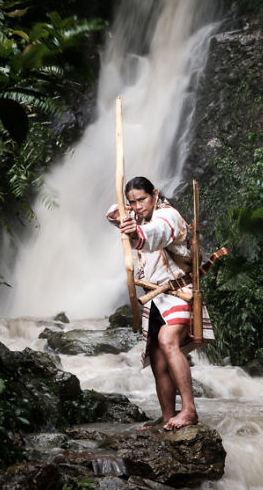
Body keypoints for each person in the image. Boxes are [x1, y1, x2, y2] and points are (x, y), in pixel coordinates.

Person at [106, 176, 213, 431]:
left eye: (142, 199)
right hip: (155, 299)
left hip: (178, 293)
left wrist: (135, 230)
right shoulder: (140, 216)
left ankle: (189, 410)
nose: (138, 205)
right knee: (157, 358)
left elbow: (157, 234)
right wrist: (126, 214)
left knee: (167, 340)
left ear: (155, 194)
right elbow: (112, 212)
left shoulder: (168, 216)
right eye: (132, 201)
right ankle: (168, 416)